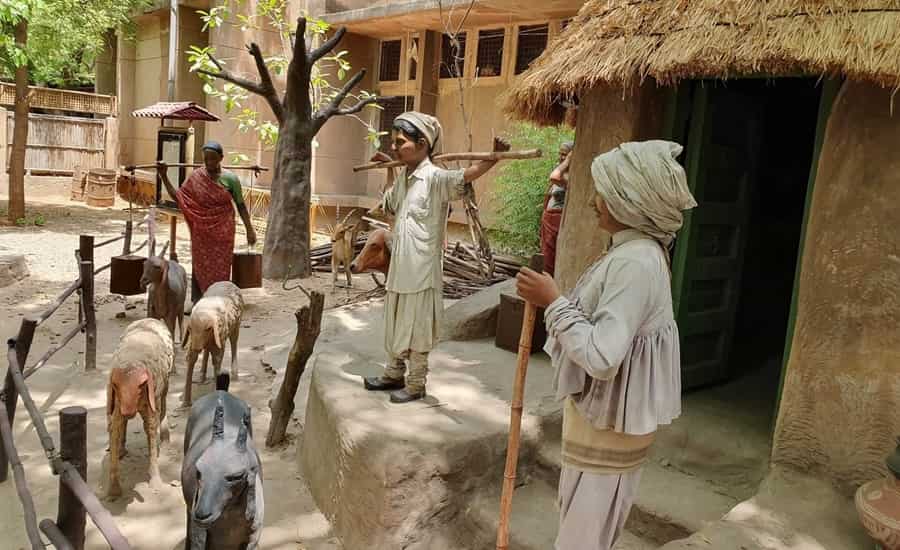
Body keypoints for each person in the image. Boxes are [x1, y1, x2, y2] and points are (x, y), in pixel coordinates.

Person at [516, 141, 697, 550]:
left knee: (581, 540)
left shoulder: (635, 262)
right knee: (584, 531)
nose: (594, 201)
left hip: (609, 430)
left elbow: (601, 356)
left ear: (628, 202)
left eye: (604, 191)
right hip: (603, 425)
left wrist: (554, 301)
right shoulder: (630, 253)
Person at [363, 111, 509, 403]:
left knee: (417, 329)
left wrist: (493, 158)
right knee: (395, 322)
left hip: (421, 272)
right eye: (393, 142)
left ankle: (416, 384)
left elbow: (466, 176)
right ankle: (393, 374)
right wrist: (388, 168)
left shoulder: (434, 178)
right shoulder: (405, 177)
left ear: (422, 144)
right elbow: (388, 206)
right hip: (400, 269)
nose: (394, 147)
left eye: (400, 142)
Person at [157, 141, 257, 309]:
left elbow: (240, 205)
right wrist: (164, 176)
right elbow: (179, 197)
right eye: (206, 159)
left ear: (221, 158)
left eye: (213, 159)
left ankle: (220, 300)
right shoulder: (196, 177)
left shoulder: (231, 179)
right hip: (201, 230)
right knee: (199, 263)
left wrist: (249, 229)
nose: (209, 163)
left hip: (223, 230)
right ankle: (197, 301)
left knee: (222, 265)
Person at [541, 141, 574, 277]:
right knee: (546, 255)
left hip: (557, 221)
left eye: (564, 155)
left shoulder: (570, 175)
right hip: (549, 220)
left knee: (552, 257)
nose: (561, 157)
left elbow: (554, 176)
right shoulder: (562, 172)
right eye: (559, 154)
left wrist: (567, 162)